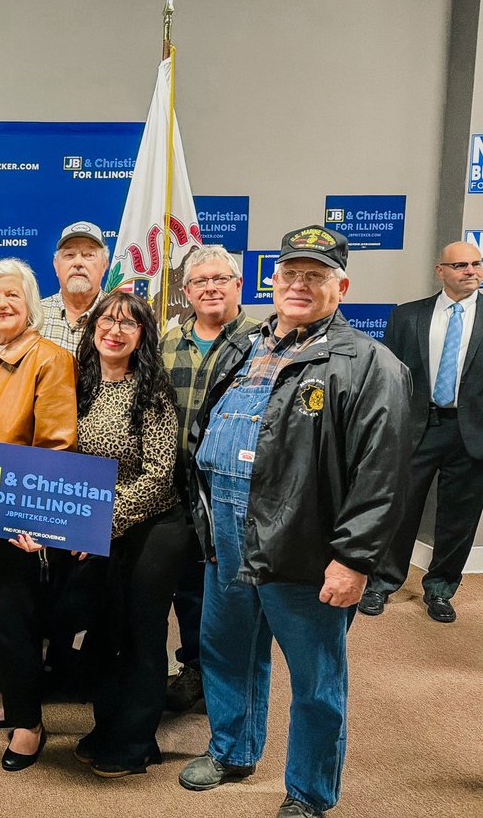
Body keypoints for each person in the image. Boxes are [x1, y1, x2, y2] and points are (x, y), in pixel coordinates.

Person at [178, 226, 410, 818]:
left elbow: (381, 474)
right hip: (225, 524)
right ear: (272, 282)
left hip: (303, 536)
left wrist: (355, 559)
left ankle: (308, 793)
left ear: (342, 286)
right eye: (291, 275)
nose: (300, 285)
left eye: (316, 275)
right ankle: (232, 751)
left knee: (314, 675)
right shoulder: (245, 343)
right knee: (226, 647)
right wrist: (207, 522)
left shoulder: (367, 362)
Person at [0, 259, 76, 771]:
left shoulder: (49, 358)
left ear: (31, 306)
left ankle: (29, 725)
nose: (2, 304)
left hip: (18, 513)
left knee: (15, 620)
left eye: (13, 297)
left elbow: (57, 444)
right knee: (6, 620)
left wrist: (39, 521)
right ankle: (14, 702)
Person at [71, 291, 189, 778]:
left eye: (128, 324)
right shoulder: (79, 385)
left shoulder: (153, 390)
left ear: (143, 336)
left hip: (154, 525)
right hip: (98, 527)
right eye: (107, 320)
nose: (115, 330)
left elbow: (159, 476)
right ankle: (108, 726)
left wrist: (99, 522)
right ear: (92, 327)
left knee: (141, 635)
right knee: (103, 632)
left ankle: (135, 742)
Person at [159, 245, 259, 712]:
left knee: (231, 594)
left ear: (239, 286)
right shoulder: (166, 342)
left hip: (231, 494)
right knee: (185, 589)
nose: (211, 288)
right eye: (200, 281)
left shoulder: (265, 344)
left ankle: (230, 685)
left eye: (221, 279)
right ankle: (195, 667)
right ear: (187, 291)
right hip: (172, 489)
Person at [361, 240, 483, 623]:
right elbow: (390, 378)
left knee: (458, 517)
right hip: (416, 427)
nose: (471, 271)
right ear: (441, 270)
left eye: (476, 264)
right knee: (398, 509)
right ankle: (381, 583)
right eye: (460, 265)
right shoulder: (406, 316)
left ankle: (441, 588)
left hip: (472, 433)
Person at [40, 220, 109, 353]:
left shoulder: (121, 318)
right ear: (56, 265)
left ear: (104, 265)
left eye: (88, 255)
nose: (78, 263)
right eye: (69, 255)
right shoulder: (33, 316)